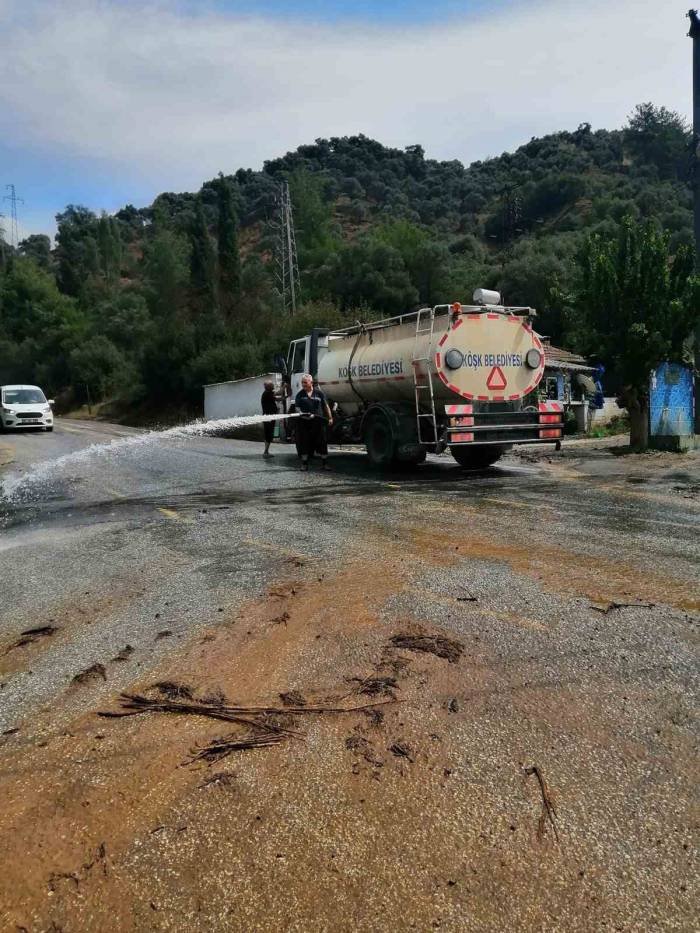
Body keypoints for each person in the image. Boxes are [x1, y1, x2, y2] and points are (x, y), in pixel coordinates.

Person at [294, 373, 333, 471]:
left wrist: (330, 417)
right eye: (302, 383)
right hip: (304, 422)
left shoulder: (319, 393)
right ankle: (304, 464)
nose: (303, 385)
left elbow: (325, 406)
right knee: (305, 443)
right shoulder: (300, 395)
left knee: (322, 442)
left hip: (318, 422)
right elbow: (297, 409)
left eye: (305, 382)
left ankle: (325, 464)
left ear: (311, 382)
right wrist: (303, 415)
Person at [260, 380, 278, 459]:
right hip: (268, 418)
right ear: (268, 387)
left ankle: (266, 451)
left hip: (269, 417)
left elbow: (276, 396)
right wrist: (284, 387)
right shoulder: (267, 393)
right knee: (268, 434)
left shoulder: (268, 393)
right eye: (272, 384)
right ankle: (266, 452)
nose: (273, 385)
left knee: (269, 434)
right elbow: (278, 396)